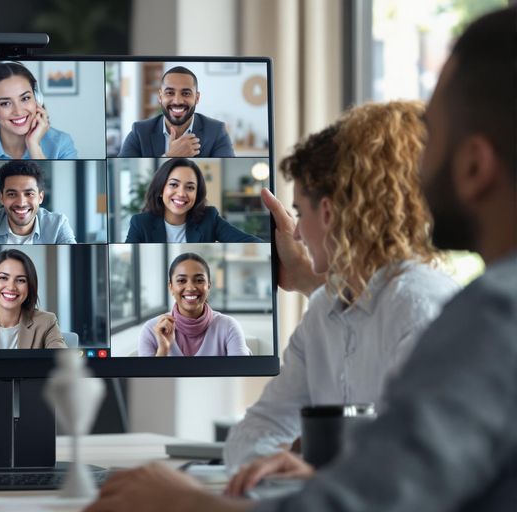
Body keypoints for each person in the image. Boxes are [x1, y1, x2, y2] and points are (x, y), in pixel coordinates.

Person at [85, 7, 516, 512]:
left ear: (474, 164)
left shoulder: (484, 317)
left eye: (433, 136)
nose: (414, 176)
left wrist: (182, 503)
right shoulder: (465, 311)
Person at [221, 100, 460, 471]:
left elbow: (415, 472)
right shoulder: (323, 311)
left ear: (329, 213)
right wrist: (297, 464)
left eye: (300, 212)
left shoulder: (419, 309)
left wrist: (312, 469)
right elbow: (248, 438)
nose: (296, 232)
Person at [0, 61, 77, 160]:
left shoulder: (61, 143)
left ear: (37, 98)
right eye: (5, 103)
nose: (18, 111)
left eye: (25, 98)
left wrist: (34, 146)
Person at [139, 253, 251, 357]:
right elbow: (146, 378)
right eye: (182, 280)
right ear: (171, 287)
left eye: (199, 280)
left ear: (209, 286)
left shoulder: (228, 326)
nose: (191, 288)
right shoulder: (151, 329)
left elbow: (241, 376)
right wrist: (163, 349)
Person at [125, 158, 262, 243]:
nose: (181, 193)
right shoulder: (140, 223)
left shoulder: (209, 218)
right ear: (161, 189)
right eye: (174, 184)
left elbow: (250, 241)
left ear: (197, 193)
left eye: (190, 187)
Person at [117, 66, 235, 158]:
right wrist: (169, 157)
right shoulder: (139, 132)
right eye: (170, 93)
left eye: (186, 93)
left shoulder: (217, 131)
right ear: (160, 97)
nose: (177, 101)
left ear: (197, 98)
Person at [0, 160, 76, 244]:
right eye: (12, 194)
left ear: (40, 197)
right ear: (1, 198)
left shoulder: (58, 224)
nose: (21, 202)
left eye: (29, 194)